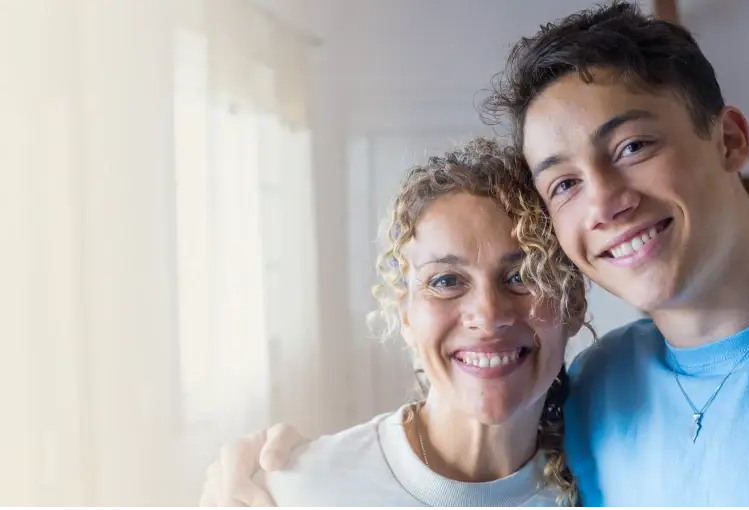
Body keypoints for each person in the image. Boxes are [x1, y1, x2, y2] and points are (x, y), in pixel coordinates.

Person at [200, 2, 749, 508]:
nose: (603, 201)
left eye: (632, 147)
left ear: (730, 140)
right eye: (563, 182)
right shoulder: (594, 391)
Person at [246, 138, 584, 508]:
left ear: (574, 305)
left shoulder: (613, 485)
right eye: (446, 281)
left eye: (523, 276)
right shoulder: (300, 491)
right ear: (405, 315)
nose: (488, 316)